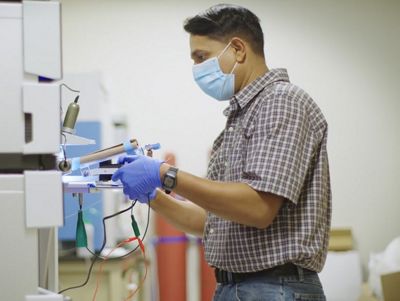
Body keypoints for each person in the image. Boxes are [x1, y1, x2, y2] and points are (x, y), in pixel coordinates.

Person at [112, 4, 331, 300]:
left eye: (201, 57)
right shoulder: (238, 120)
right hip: (238, 287)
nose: (196, 70)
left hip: (273, 287)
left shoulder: (281, 101)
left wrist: (164, 174)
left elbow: (257, 208)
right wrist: (153, 196)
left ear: (238, 49)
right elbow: (208, 221)